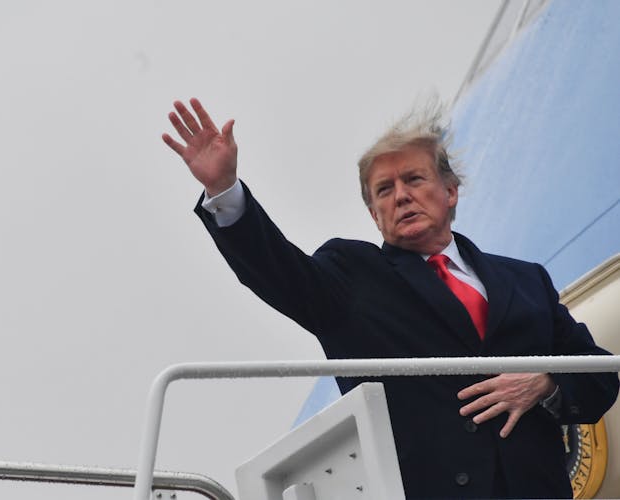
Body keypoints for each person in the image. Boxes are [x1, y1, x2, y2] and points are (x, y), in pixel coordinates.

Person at [162, 98, 619, 499]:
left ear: (450, 191)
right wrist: (224, 192)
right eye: (384, 189)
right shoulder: (351, 275)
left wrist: (546, 382)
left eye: (414, 179)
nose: (401, 196)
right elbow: (278, 271)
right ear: (373, 212)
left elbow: (599, 379)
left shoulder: (526, 280)